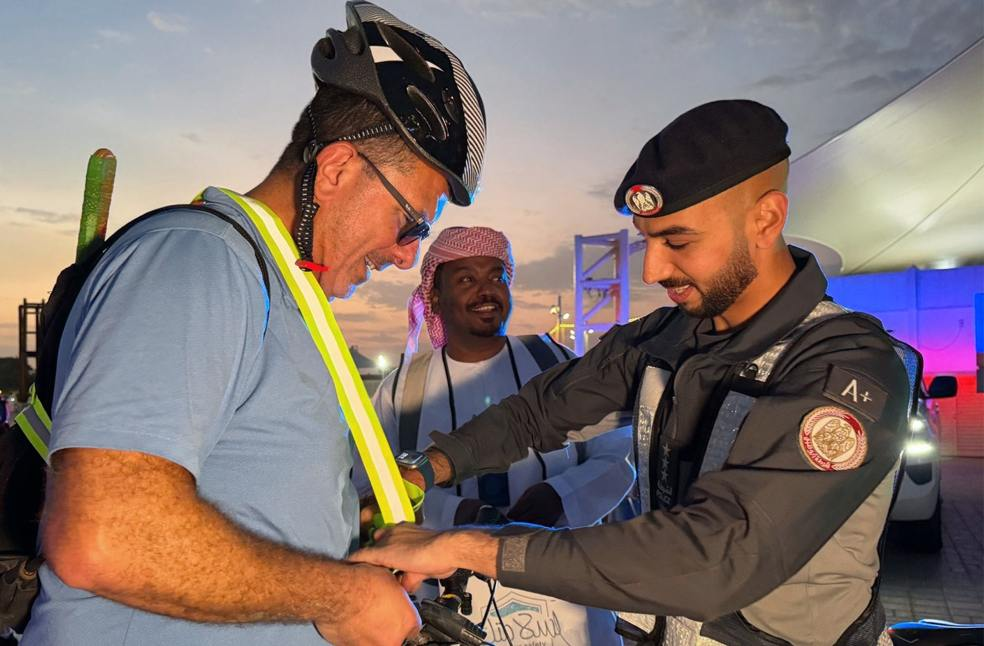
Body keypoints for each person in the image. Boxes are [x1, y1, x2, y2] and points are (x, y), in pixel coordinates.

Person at [353, 100, 917, 646]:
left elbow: (715, 557)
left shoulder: (843, 366)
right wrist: (428, 468)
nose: (652, 269)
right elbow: (537, 414)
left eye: (678, 240)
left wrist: (467, 546)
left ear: (765, 219)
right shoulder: (665, 337)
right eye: (647, 240)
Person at [22, 3, 486, 646]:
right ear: (337, 170)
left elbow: (242, 489)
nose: (408, 255)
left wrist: (337, 528)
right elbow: (105, 534)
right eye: (412, 223)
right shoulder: (197, 258)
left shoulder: (280, 292)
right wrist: (344, 598)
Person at [355, 226, 634, 645]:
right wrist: (456, 516)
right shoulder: (402, 389)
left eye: (496, 277)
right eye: (466, 279)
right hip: (444, 606)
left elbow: (619, 454)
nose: (485, 291)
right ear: (435, 296)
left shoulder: (555, 362)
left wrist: (560, 496)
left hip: (563, 596)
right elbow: (369, 487)